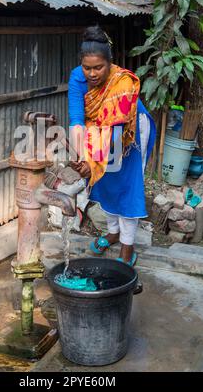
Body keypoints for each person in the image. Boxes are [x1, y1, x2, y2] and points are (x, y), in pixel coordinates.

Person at [68, 26, 156, 266]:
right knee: (104, 182)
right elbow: (77, 120)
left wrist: (94, 161)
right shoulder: (77, 78)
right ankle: (113, 232)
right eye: (88, 68)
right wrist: (83, 157)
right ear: (81, 65)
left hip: (130, 132)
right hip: (97, 133)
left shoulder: (122, 84)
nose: (92, 74)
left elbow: (115, 132)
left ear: (111, 64)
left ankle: (127, 248)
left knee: (126, 185)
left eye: (98, 67)